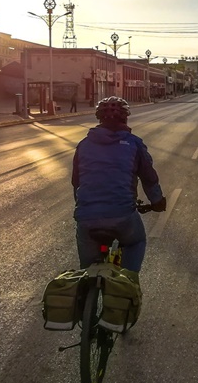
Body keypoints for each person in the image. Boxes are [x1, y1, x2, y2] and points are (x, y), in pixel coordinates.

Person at [71, 96, 166, 274]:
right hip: (122, 215)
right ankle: (128, 281)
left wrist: (84, 205)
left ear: (99, 118)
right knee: (136, 241)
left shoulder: (83, 145)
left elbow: (76, 183)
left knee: (86, 273)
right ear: (125, 118)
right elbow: (149, 178)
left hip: (87, 218)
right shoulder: (134, 143)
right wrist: (157, 201)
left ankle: (85, 294)